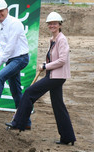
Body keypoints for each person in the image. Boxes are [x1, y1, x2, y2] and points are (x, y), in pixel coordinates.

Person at [6, 12, 76, 146]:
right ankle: (68, 137)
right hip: (53, 75)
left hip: (57, 76)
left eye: (55, 23)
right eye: (50, 23)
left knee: (29, 93)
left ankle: (19, 123)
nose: (52, 25)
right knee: (58, 105)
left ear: (60, 24)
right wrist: (47, 65)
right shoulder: (53, 39)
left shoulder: (62, 39)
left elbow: (62, 60)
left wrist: (45, 65)